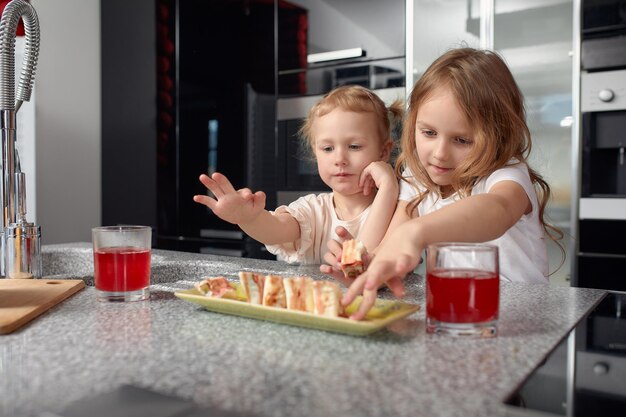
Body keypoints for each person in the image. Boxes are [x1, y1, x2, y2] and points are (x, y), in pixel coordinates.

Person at [329, 48, 564, 320]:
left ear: (497, 135)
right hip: (457, 317)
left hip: (520, 321)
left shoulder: (507, 175)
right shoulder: (418, 183)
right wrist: (365, 270)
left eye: (462, 140)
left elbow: (497, 209)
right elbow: (393, 253)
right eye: (428, 133)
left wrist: (417, 232)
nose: (440, 153)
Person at [193, 85, 404, 264]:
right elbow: (276, 229)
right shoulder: (312, 210)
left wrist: (388, 187)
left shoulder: (402, 209)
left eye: (354, 146)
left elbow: (363, 262)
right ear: (315, 151)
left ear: (384, 151)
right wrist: (248, 219)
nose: (340, 158)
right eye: (327, 149)